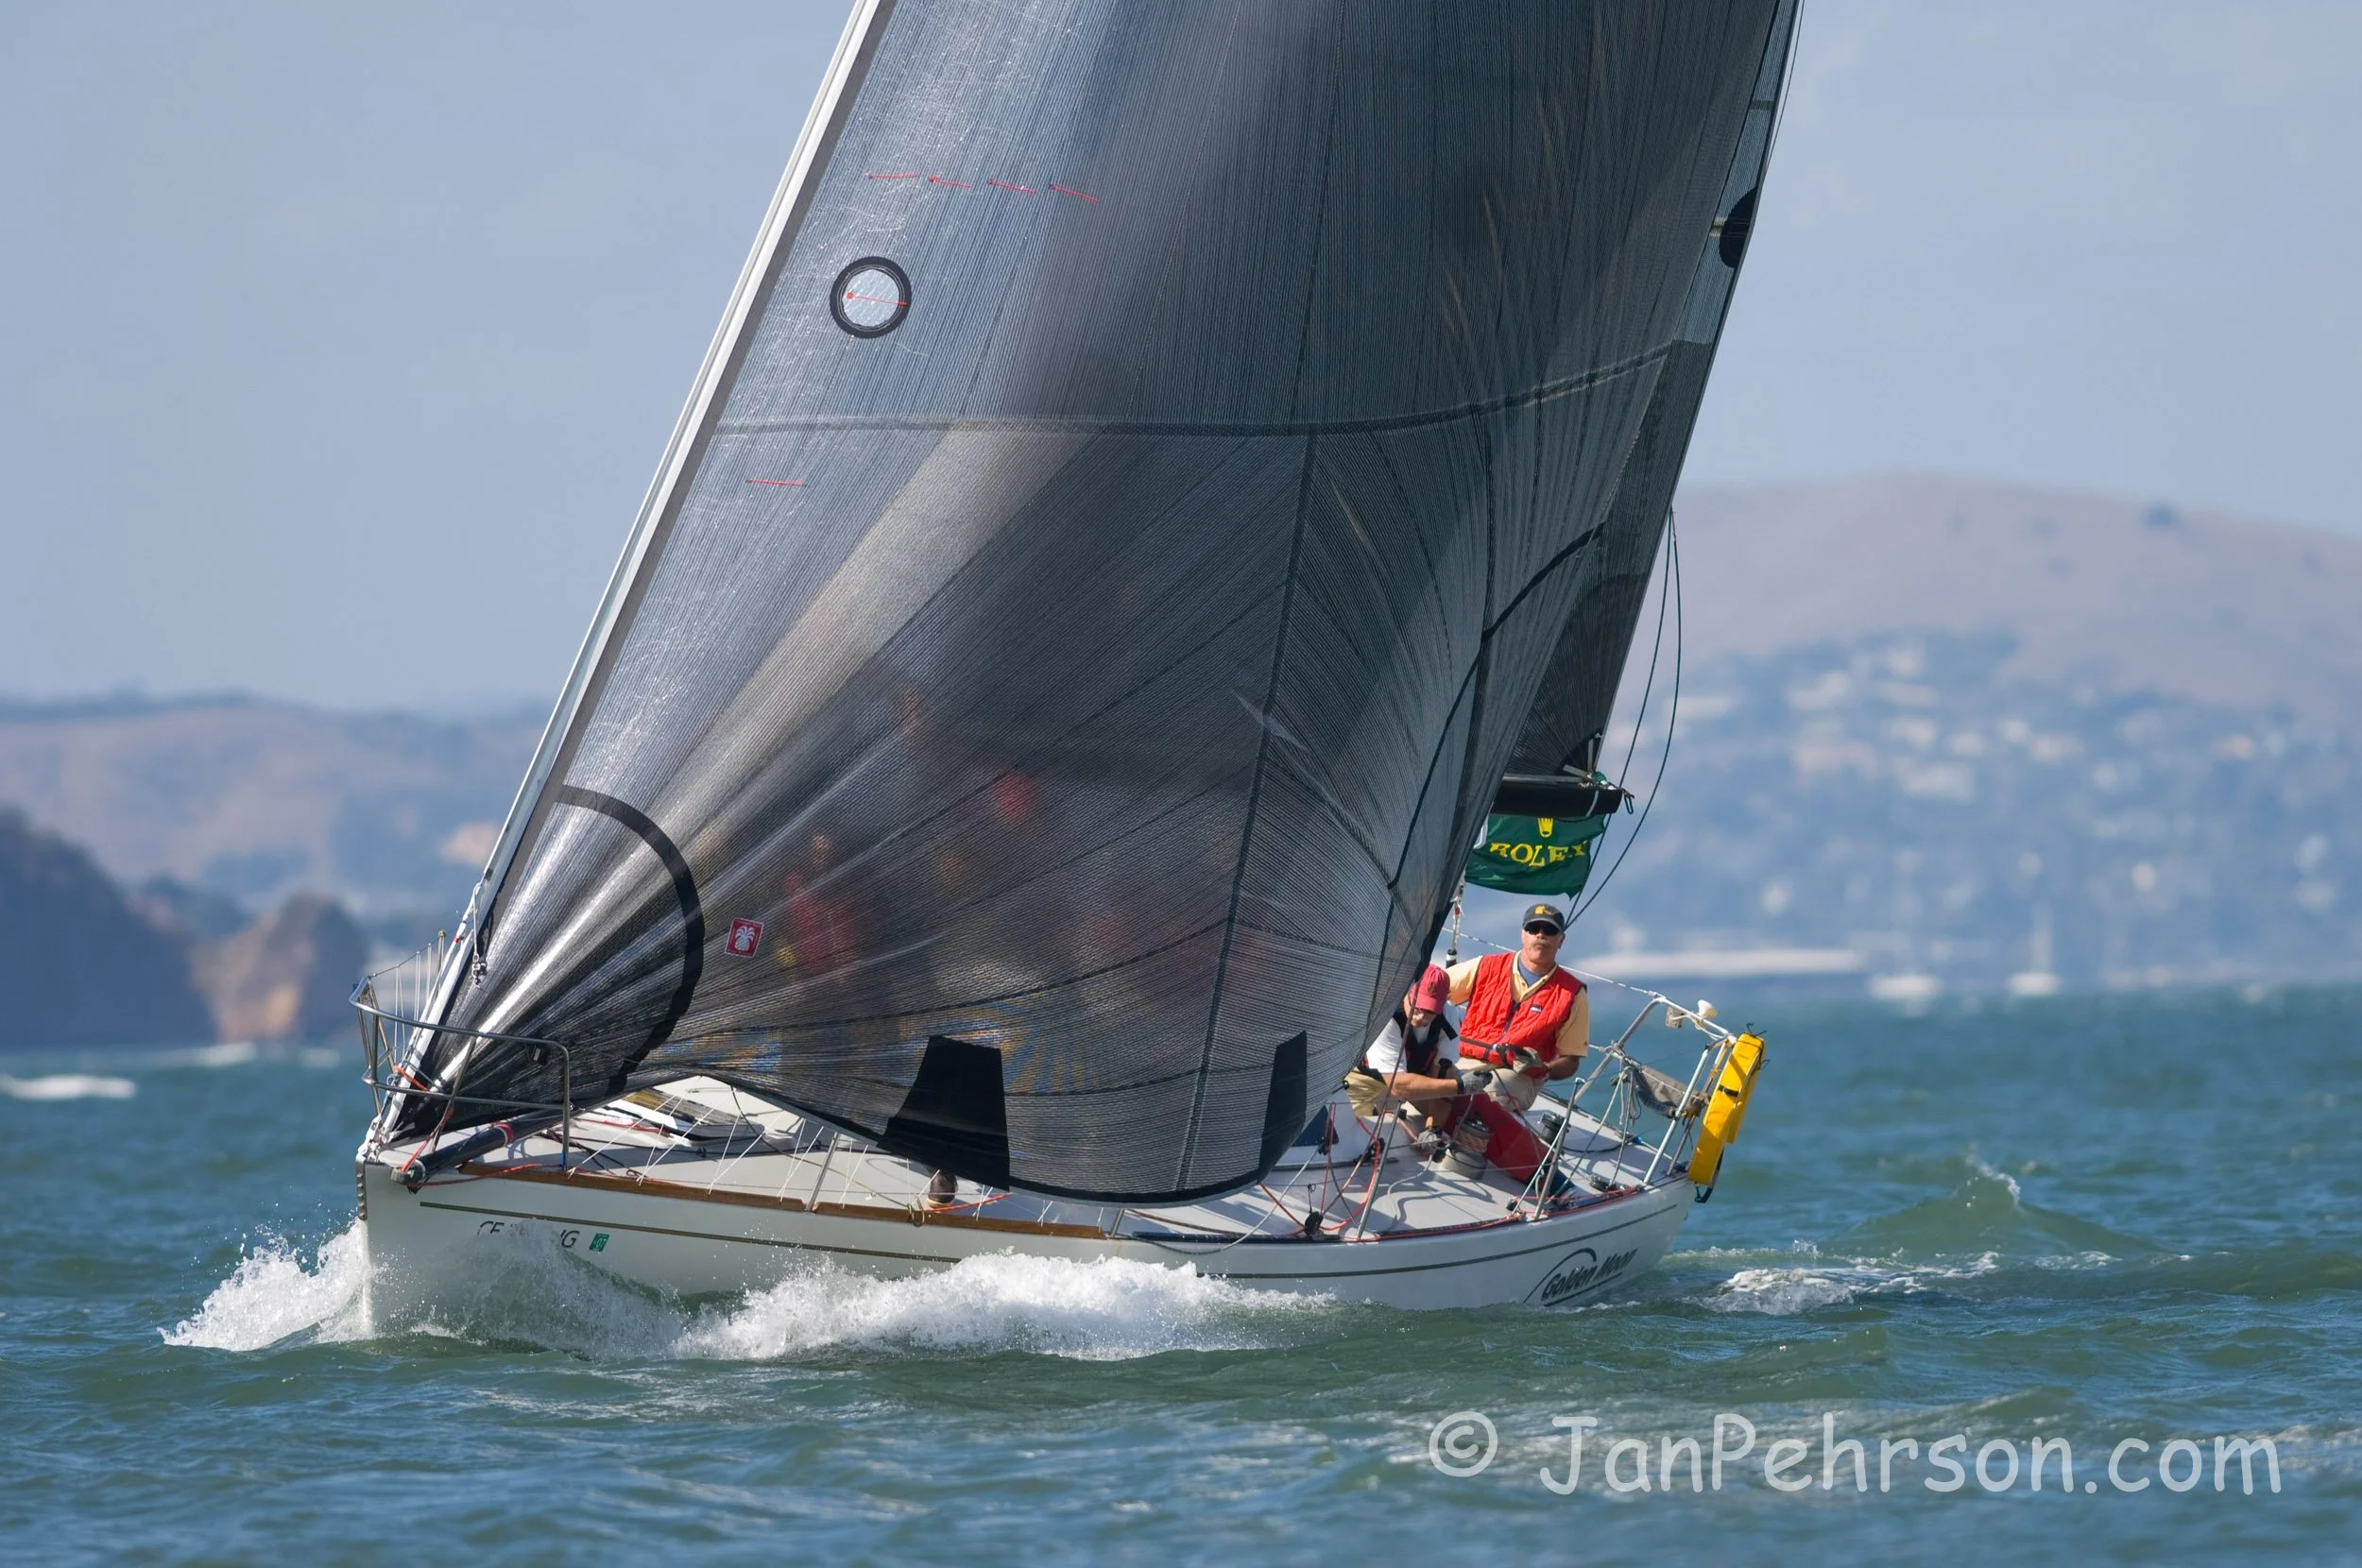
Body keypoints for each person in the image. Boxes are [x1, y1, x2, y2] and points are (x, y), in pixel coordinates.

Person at [1445, 902, 1590, 1115]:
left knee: (1488, 1094)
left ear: (1561, 940)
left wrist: (1545, 1070)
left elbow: (1571, 1060)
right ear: (1523, 935)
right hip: (1464, 1058)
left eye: (1550, 930)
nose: (1541, 935)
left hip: (1518, 1076)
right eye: (1533, 929)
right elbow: (1433, 989)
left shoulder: (1573, 993)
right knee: (1425, 1086)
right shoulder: (1484, 966)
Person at [1345, 964, 1462, 1121]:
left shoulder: (1449, 1015)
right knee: (1346, 1127)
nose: (1421, 1017)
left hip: (1419, 1075)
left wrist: (1434, 1130)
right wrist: (1458, 1086)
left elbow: (1442, 1073)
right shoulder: (1386, 1015)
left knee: (1458, 1116)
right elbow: (1398, 1085)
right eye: (1418, 1007)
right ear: (1409, 992)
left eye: (1430, 1011)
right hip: (1367, 1077)